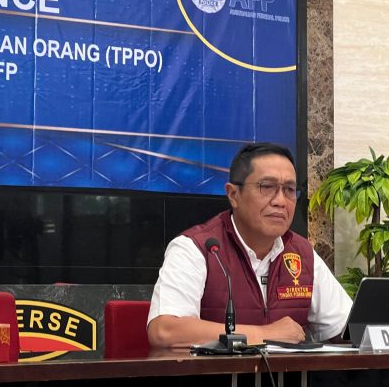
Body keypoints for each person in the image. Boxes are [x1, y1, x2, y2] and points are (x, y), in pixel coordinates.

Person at [147, 142, 355, 348]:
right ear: (233, 195)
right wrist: (265, 334)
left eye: (289, 189)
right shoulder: (197, 248)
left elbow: (348, 329)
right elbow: (165, 331)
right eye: (267, 187)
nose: (281, 201)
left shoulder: (302, 253)